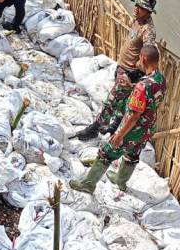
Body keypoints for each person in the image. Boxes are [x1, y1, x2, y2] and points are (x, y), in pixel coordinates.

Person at [70, 45, 166, 193]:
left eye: (139, 57)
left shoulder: (142, 86)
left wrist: (119, 135)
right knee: (133, 153)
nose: (138, 61)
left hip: (133, 130)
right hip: (148, 129)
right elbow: (149, 95)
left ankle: (88, 184)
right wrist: (132, 86)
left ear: (144, 59)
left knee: (106, 153)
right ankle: (120, 181)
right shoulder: (160, 79)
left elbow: (134, 115)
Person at [73, 0, 157, 140]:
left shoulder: (148, 31)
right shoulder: (137, 21)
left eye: (141, 8)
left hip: (130, 72)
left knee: (111, 102)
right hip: (122, 68)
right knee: (122, 101)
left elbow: (147, 55)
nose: (136, 9)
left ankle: (95, 129)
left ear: (149, 12)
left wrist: (134, 73)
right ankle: (114, 127)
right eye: (136, 5)